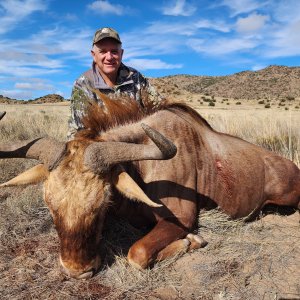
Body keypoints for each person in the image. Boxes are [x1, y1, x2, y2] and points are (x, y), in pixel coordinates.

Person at [68, 27, 162, 139]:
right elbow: (84, 132)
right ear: (93, 55)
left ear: (121, 53)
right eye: (103, 51)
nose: (109, 57)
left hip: (136, 141)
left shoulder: (136, 77)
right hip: (96, 144)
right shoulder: (83, 84)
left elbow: (159, 108)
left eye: (114, 51)